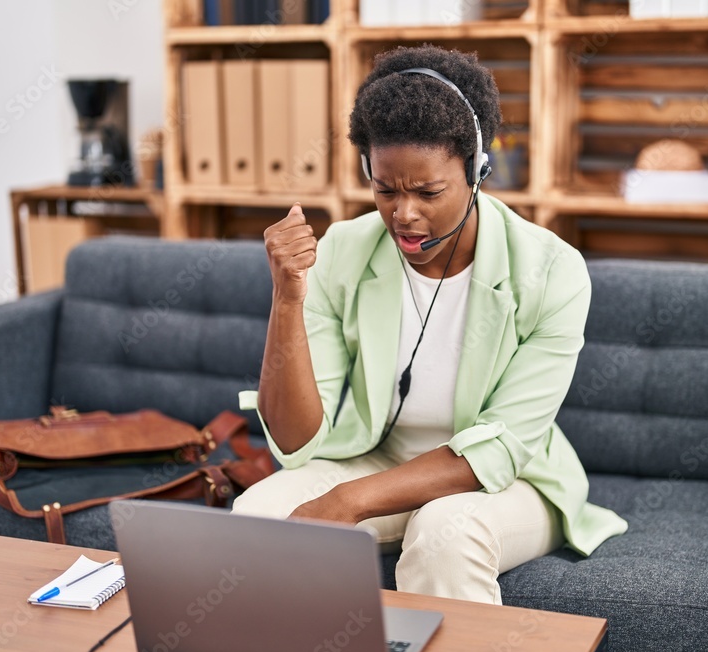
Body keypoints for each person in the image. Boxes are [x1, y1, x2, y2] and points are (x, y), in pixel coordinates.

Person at [233, 45, 627, 605]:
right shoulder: (344, 251)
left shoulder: (551, 271)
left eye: (428, 192)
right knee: (257, 516)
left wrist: (349, 501)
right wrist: (288, 297)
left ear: (476, 170)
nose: (403, 214)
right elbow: (297, 443)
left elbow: (499, 451)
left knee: (444, 534)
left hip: (509, 480)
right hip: (378, 456)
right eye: (386, 189)